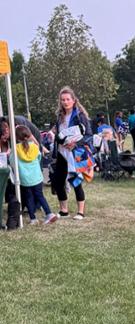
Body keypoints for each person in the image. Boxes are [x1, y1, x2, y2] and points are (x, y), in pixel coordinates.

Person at [52, 86, 92, 220]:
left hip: (75, 153)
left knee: (75, 180)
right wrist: (59, 139)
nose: (65, 102)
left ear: (73, 100)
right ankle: (64, 210)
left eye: (68, 99)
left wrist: (75, 144)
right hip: (62, 152)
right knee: (58, 181)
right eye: (63, 99)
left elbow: (88, 135)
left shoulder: (80, 116)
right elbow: (58, 134)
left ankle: (80, 212)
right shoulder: (59, 116)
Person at [15, 125, 58, 225]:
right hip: (37, 177)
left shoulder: (16, 149)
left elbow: (13, 161)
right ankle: (49, 213)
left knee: (29, 197)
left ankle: (33, 218)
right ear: (29, 135)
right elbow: (39, 159)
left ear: (17, 138)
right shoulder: (35, 146)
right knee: (40, 196)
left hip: (25, 179)